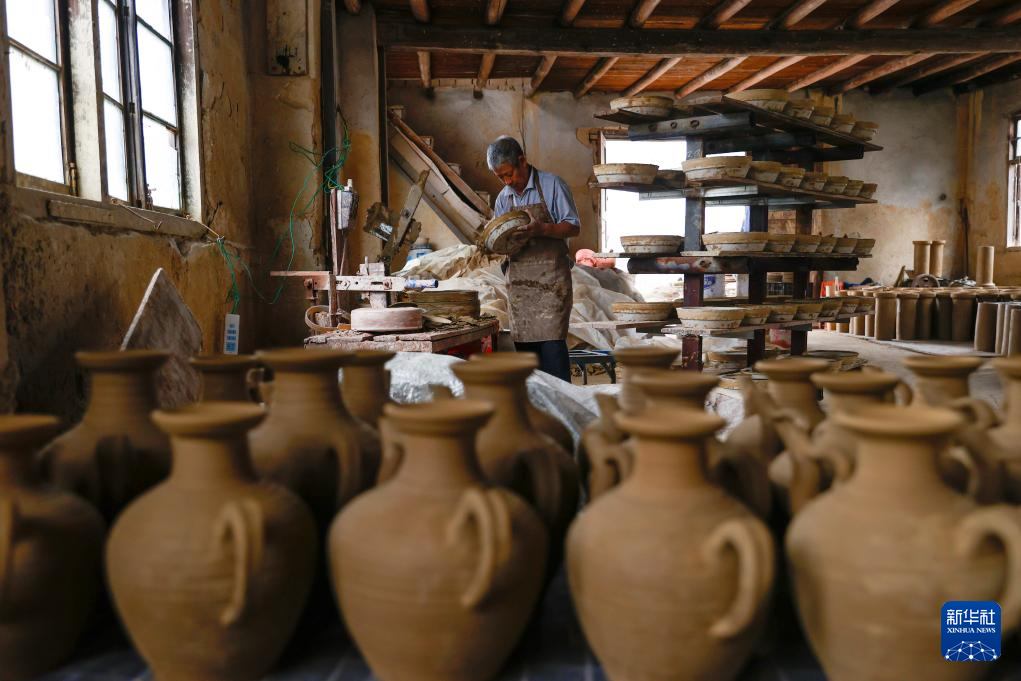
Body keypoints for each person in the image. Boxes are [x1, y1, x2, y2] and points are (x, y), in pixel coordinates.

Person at [487, 135, 580, 382]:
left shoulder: (552, 185)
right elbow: (500, 241)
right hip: (520, 287)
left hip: (551, 282)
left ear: (522, 161)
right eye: (501, 177)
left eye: (509, 174)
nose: (508, 181)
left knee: (552, 352)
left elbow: (573, 226)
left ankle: (560, 403)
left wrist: (542, 229)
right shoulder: (503, 198)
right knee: (528, 362)